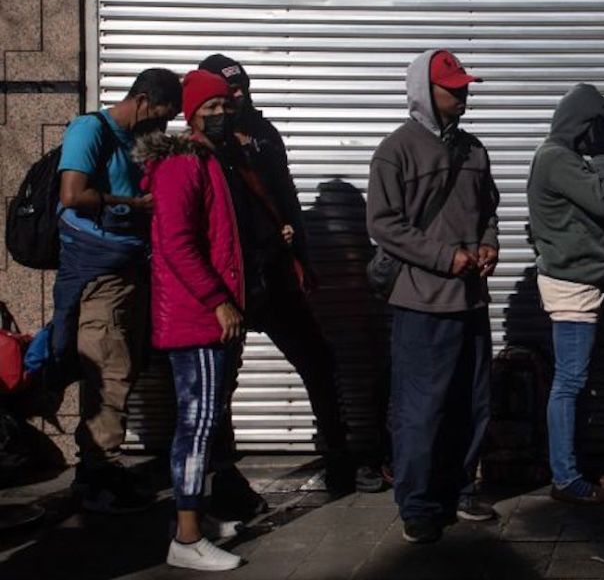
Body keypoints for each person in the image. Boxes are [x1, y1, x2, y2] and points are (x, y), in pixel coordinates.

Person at [197, 54, 370, 504]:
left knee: (317, 360)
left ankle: (338, 458)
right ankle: (222, 473)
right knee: (220, 381)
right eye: (227, 93)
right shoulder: (201, 148)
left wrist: (300, 254)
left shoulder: (262, 133)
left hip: (274, 273)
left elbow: (286, 193)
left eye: (242, 88)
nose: (238, 97)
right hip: (231, 282)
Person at [366, 49, 500, 544]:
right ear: (425, 90)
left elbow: (488, 209)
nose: (462, 93)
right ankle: (419, 506)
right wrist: (447, 258)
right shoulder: (395, 150)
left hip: (471, 300)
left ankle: (460, 490)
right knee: (421, 409)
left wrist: (489, 243)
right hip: (422, 302)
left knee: (471, 402)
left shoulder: (474, 148)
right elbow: (384, 225)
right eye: (453, 87)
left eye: (465, 85)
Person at [54, 68, 181, 514]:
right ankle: (96, 479)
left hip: (129, 268)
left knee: (122, 366)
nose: (165, 123)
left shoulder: (135, 141)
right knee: (109, 367)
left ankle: (103, 470)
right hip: (100, 273)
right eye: (164, 113)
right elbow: (72, 195)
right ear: (143, 100)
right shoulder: (91, 128)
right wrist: (130, 205)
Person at [136, 69, 246, 571]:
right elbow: (176, 243)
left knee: (205, 422)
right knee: (196, 426)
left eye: (226, 106)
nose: (222, 114)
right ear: (190, 111)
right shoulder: (183, 162)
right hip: (195, 316)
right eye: (211, 107)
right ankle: (185, 539)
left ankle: (197, 519)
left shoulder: (209, 158)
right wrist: (216, 300)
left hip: (207, 315)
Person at [527, 83, 604, 506]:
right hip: (572, 287)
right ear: (584, 125)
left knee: (576, 382)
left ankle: (573, 467)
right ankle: (565, 477)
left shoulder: (559, 157)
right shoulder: (558, 159)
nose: (601, 137)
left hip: (580, 282)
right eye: (599, 128)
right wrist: (602, 155)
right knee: (569, 382)